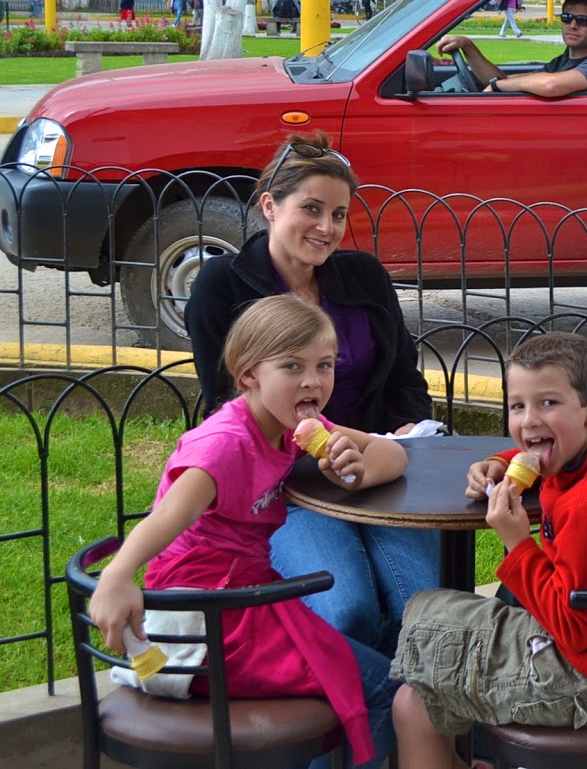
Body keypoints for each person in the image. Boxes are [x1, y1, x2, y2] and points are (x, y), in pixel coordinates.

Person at [89, 296, 406, 769]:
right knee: (381, 688)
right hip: (209, 617)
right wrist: (118, 575)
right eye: (292, 366)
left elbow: (393, 453)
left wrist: (355, 471)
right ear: (248, 376)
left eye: (324, 365)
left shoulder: (295, 426)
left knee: (368, 681)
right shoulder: (224, 444)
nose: (313, 381)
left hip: (249, 598)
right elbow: (168, 514)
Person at [184, 131, 440, 655]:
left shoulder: (364, 277)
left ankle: (409, 700)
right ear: (269, 206)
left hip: (380, 467)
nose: (327, 228)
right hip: (288, 485)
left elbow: (405, 377)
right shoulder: (222, 285)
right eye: (311, 209)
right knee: (348, 611)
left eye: (339, 214)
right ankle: (361, 698)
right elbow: (224, 403)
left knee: (423, 607)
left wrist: (408, 428)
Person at [391, 332, 587, 765]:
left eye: (548, 403)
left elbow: (574, 627)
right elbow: (541, 452)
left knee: (413, 696)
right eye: (517, 406)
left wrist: (516, 542)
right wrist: (501, 462)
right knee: (425, 618)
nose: (529, 421)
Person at [438, 0, 587, 96]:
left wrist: (497, 86)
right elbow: (506, 80)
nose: (573, 25)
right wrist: (467, 46)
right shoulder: (562, 62)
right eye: (567, 18)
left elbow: (550, 85)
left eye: (583, 21)